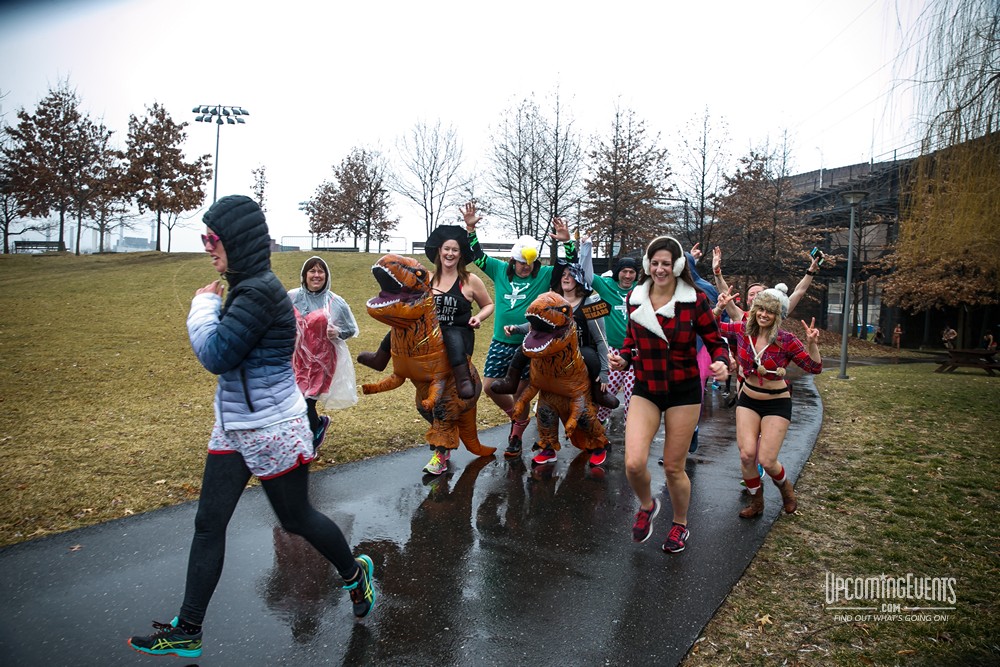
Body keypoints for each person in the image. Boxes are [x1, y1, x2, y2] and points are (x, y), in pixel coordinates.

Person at [127, 196, 375, 659]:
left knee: (295, 518)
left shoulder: (259, 291)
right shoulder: (247, 289)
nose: (207, 248)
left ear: (236, 242)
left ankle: (353, 573)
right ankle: (189, 628)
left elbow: (217, 354)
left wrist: (202, 307)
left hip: (273, 426)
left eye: (212, 239)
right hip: (235, 425)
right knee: (208, 523)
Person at [608, 236, 729, 554]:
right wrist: (622, 357)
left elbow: (714, 340)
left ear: (676, 266)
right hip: (647, 389)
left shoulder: (694, 299)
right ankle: (647, 506)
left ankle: (679, 524)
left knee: (674, 468)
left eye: (666, 263)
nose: (660, 268)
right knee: (633, 464)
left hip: (682, 391)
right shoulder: (636, 296)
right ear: (648, 264)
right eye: (655, 262)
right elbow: (630, 340)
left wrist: (720, 362)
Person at [463, 203, 574, 459]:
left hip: (529, 342)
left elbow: (569, 262)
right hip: (500, 341)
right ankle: (518, 418)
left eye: (530, 263)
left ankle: (515, 437)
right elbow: (476, 255)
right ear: (513, 259)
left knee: (521, 392)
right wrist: (470, 228)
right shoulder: (500, 269)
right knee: (491, 386)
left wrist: (567, 242)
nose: (526, 267)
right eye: (522, 263)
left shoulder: (544, 274)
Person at [715, 284, 822, 518]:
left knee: (767, 459)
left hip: (776, 403)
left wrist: (812, 344)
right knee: (746, 455)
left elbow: (814, 367)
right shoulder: (743, 330)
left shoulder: (787, 340)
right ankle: (756, 501)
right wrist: (718, 309)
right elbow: (711, 329)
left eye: (770, 311)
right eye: (760, 308)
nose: (763, 314)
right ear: (753, 309)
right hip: (748, 400)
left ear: (779, 315)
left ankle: (785, 488)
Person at [357, 224, 493, 405]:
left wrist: (479, 317)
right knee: (400, 326)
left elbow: (489, 304)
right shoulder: (428, 278)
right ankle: (379, 358)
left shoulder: (469, 280)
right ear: (439, 251)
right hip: (428, 330)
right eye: (447, 249)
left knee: (452, 337)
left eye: (455, 250)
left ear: (460, 254)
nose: (450, 254)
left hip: (457, 331)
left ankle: (463, 379)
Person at [288, 256, 359, 448]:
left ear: (326, 276)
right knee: (295, 402)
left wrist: (337, 332)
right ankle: (317, 425)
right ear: (304, 275)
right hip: (296, 360)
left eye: (321, 271)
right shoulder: (291, 297)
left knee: (306, 403)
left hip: (322, 361)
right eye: (312, 271)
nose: (316, 275)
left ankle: (308, 446)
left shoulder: (336, 302)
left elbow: (351, 329)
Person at [590, 255, 640, 426]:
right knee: (607, 391)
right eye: (624, 271)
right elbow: (586, 274)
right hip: (612, 352)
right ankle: (599, 422)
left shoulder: (642, 289)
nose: (628, 276)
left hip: (635, 352)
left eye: (632, 272)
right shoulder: (606, 287)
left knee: (632, 394)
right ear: (618, 272)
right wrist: (575, 246)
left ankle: (632, 428)